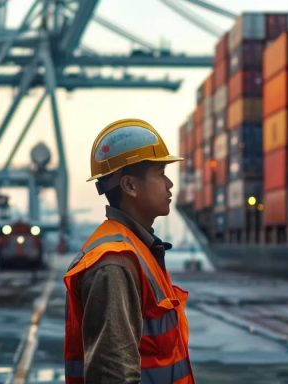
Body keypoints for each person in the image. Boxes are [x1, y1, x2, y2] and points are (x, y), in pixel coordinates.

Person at [63, 118, 194, 383]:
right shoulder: (114, 263)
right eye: (160, 173)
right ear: (130, 186)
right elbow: (113, 374)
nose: (170, 184)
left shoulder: (138, 250)